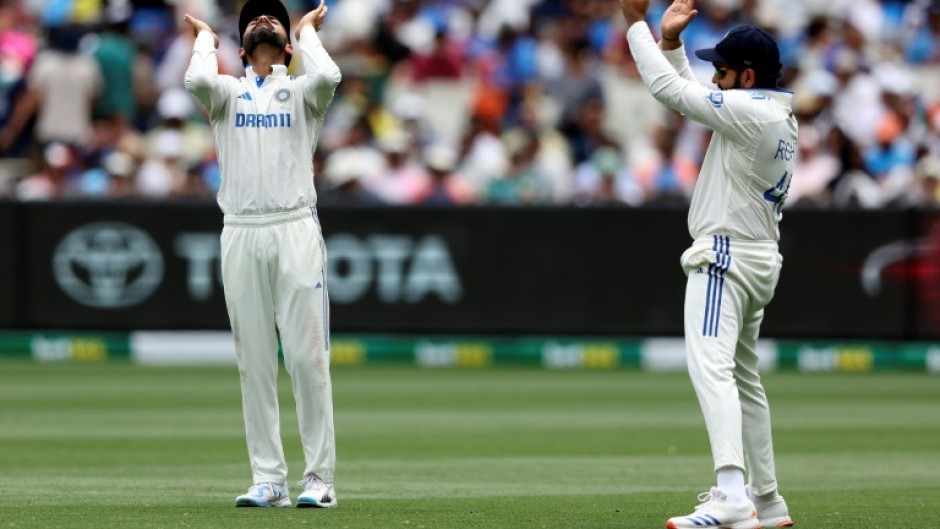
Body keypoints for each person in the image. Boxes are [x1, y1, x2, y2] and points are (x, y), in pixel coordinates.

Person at [617, 1, 795, 528]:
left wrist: (635, 25)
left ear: (747, 75)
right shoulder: (771, 111)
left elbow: (672, 93)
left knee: (711, 369)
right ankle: (767, 500)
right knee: (743, 378)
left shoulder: (750, 113)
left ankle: (732, 496)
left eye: (721, 69)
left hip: (724, 256)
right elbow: (694, 97)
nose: (714, 77)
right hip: (757, 257)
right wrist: (670, 44)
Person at [183, 0, 341, 509]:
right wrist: (205, 38)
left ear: (288, 44)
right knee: (254, 360)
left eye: (272, 17)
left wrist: (306, 34)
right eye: (252, 19)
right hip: (241, 230)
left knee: (306, 358)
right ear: (240, 42)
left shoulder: (300, 94)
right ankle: (269, 479)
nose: (261, 21)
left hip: (293, 227)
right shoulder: (226, 92)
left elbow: (330, 76)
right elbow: (195, 83)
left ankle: (319, 480)